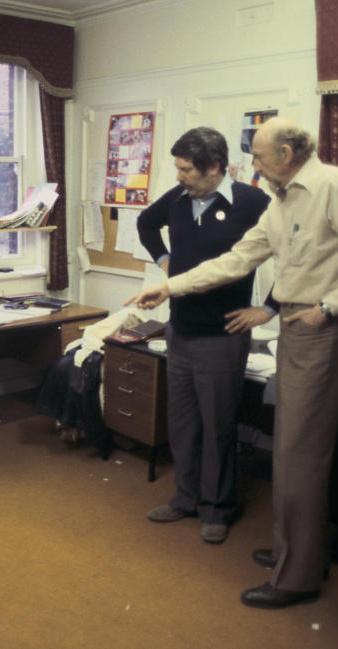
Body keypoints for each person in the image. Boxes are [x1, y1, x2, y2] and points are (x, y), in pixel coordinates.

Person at [126, 116, 338, 608]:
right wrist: (169, 284)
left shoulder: (334, 186)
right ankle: (297, 554)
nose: (252, 165)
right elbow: (235, 259)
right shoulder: (283, 202)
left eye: (258, 156)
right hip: (298, 324)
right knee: (291, 452)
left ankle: (296, 578)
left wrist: (329, 307)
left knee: (299, 454)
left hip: (321, 326)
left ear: (286, 156)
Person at [137, 127, 271, 544]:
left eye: (186, 170)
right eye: (177, 168)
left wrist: (268, 309)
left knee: (217, 427)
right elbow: (145, 224)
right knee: (183, 424)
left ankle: (218, 507)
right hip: (180, 329)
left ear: (215, 167)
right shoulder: (178, 199)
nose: (179, 177)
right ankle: (187, 496)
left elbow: (296, 254)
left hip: (223, 334)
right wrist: (165, 263)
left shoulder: (253, 202)